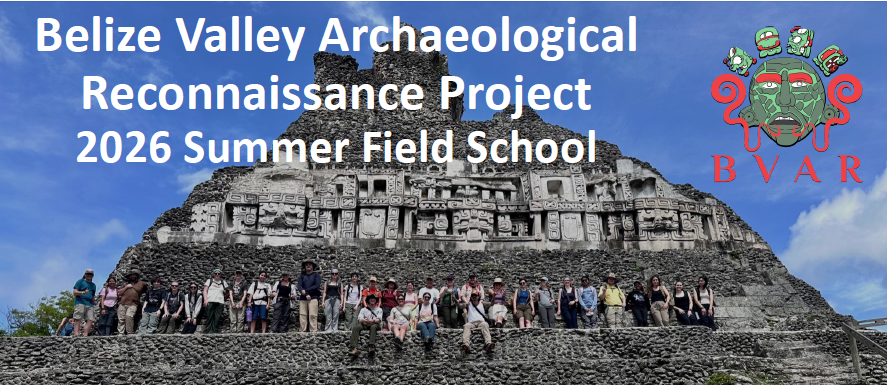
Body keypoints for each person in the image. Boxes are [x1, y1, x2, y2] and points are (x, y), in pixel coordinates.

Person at [117, 270, 147, 335]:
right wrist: (126, 287)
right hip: (123, 303)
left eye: (134, 275)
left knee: (129, 316)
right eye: (131, 275)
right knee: (121, 318)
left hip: (133, 303)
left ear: (137, 276)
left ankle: (129, 332)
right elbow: (119, 293)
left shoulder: (141, 283)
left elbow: (146, 291)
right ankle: (121, 333)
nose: (132, 276)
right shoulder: (125, 284)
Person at [297, 261, 322, 332]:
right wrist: (303, 292)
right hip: (303, 298)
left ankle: (313, 331)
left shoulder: (316, 275)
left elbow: (316, 286)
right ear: (304, 267)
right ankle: (302, 330)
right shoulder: (302, 276)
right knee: (302, 315)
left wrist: (306, 292)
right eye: (306, 265)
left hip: (313, 297)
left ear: (312, 266)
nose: (308, 266)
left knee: (313, 315)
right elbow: (299, 286)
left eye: (310, 265)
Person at [72, 269, 97, 337]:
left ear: (93, 276)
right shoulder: (80, 281)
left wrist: (93, 301)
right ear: (85, 274)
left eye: (90, 274)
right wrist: (83, 292)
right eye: (87, 274)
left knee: (90, 319)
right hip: (80, 302)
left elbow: (93, 295)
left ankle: (85, 335)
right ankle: (76, 334)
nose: (89, 275)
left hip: (89, 304)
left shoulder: (93, 285)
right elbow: (75, 292)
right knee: (78, 318)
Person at [203, 269, 229, 334]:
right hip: (210, 301)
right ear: (213, 274)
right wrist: (205, 300)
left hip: (220, 302)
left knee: (217, 318)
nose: (217, 275)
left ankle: (214, 332)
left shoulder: (223, 282)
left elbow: (228, 291)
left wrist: (225, 298)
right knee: (209, 317)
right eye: (216, 273)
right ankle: (208, 332)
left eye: (218, 274)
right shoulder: (209, 281)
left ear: (220, 275)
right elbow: (205, 291)